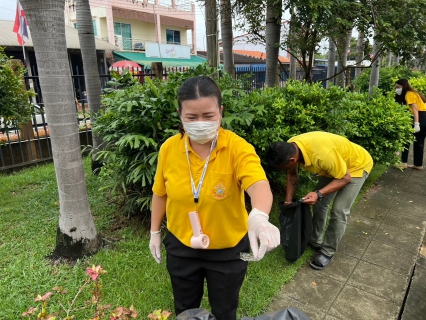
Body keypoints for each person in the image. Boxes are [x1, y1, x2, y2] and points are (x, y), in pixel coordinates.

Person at [149, 76, 280, 320]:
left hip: (228, 249)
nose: (200, 123)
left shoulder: (237, 148)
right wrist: (155, 232)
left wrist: (260, 216)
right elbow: (160, 193)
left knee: (225, 310)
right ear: (180, 114)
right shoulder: (169, 148)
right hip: (181, 245)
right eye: (191, 117)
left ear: (220, 111)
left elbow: (258, 183)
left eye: (208, 116)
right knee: (185, 309)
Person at [266, 132, 373, 270]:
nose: (284, 170)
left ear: (292, 160)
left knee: (339, 210)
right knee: (320, 203)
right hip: (334, 167)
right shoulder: (291, 147)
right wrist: (288, 201)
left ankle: (327, 252)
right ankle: (315, 240)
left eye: (283, 168)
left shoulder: (322, 155)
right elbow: (292, 174)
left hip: (355, 166)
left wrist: (319, 193)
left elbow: (345, 178)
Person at [394, 78, 426, 170]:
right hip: (423, 116)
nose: (396, 89)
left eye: (398, 87)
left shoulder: (409, 94)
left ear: (403, 86)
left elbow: (415, 109)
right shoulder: (413, 93)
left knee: (406, 139)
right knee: (419, 141)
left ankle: (403, 162)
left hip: (419, 116)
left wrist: (416, 123)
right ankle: (418, 164)